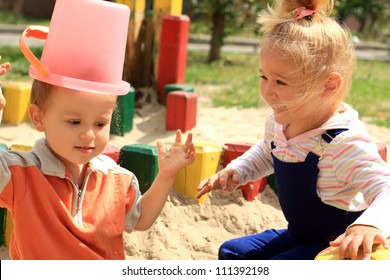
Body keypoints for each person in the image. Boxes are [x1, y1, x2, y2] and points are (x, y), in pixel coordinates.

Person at [0, 0, 195, 260]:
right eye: (74, 122)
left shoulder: (117, 179)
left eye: (100, 124)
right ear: (38, 118)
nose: (88, 135)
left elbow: (141, 219)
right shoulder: (21, 174)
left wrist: (165, 176)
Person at [196, 0, 390, 260]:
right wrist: (237, 170)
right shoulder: (279, 124)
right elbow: (267, 152)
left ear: (329, 85)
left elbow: (385, 189)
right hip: (299, 234)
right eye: (263, 77)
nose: (266, 91)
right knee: (232, 252)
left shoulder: (342, 142)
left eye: (281, 81)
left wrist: (369, 225)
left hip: (334, 248)